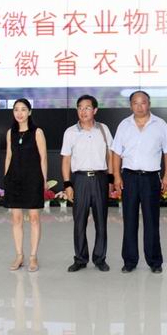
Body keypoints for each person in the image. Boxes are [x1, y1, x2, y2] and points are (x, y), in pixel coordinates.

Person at [111, 90, 167, 274]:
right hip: (129, 177)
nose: (139, 107)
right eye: (135, 103)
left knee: (151, 221)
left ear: (149, 104)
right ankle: (130, 261)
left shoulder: (160, 124)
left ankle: (154, 261)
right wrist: (116, 176)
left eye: (143, 102)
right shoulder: (124, 125)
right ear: (131, 105)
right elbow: (116, 153)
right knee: (129, 220)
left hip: (151, 178)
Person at [60, 94, 113, 273]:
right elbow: (66, 160)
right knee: (79, 222)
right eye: (80, 108)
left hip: (100, 179)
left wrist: (111, 179)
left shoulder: (103, 129)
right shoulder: (70, 132)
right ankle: (80, 259)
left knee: (101, 222)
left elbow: (110, 155)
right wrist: (67, 184)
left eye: (87, 108)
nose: (83, 111)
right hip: (80, 180)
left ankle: (100, 258)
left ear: (95, 110)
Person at [4, 98, 47, 272]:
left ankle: (33, 256)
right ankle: (19, 255)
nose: (19, 113)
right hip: (14, 180)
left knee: (34, 218)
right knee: (16, 219)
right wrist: (6, 177)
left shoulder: (37, 132)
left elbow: (43, 158)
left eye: (23, 109)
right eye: (16, 109)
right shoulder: (10, 133)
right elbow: (8, 156)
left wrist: (43, 181)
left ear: (29, 112)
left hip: (33, 179)